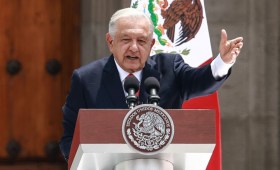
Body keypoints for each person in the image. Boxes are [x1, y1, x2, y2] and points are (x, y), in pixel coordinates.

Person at [59, 8, 243, 161]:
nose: (133, 47)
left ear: (152, 44)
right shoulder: (87, 79)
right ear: (110, 41)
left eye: (141, 41)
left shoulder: (169, 68)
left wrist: (223, 62)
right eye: (125, 40)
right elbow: (70, 138)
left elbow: (201, 82)